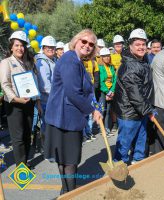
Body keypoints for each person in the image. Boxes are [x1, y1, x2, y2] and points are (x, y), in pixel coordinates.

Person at [44, 29, 102, 194]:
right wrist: (93, 111)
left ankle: (66, 192)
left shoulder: (76, 60)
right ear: (75, 41)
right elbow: (73, 92)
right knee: (69, 161)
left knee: (64, 160)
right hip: (66, 118)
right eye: (84, 41)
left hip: (63, 117)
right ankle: (71, 194)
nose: (87, 46)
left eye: (91, 44)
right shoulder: (71, 60)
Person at [113, 28, 155, 164]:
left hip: (141, 111)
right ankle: (119, 169)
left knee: (140, 142)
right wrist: (148, 110)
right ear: (130, 46)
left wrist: (147, 109)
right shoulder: (130, 66)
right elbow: (135, 94)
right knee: (124, 145)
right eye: (138, 44)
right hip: (129, 112)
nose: (141, 47)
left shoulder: (143, 60)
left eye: (143, 44)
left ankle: (138, 163)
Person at [0, 31, 42, 167]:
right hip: (14, 105)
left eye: (22, 45)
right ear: (11, 47)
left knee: (27, 135)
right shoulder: (6, 62)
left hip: (29, 103)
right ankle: (21, 167)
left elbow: (34, 84)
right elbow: (4, 84)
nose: (20, 48)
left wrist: (37, 102)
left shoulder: (27, 63)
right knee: (18, 138)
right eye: (17, 45)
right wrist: (16, 99)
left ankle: (25, 162)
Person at [35, 35, 57, 151]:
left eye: (52, 47)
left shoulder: (52, 60)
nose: (51, 49)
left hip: (52, 99)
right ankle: (47, 148)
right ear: (43, 48)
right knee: (47, 125)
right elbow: (45, 86)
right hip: (47, 100)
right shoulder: (42, 62)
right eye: (48, 47)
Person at [99, 47, 116, 137]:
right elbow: (101, 81)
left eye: (108, 56)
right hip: (103, 92)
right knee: (102, 110)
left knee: (109, 110)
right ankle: (102, 129)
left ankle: (107, 128)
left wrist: (112, 91)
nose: (107, 58)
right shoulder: (100, 67)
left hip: (110, 92)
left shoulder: (111, 67)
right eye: (105, 56)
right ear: (101, 57)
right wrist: (107, 92)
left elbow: (114, 80)